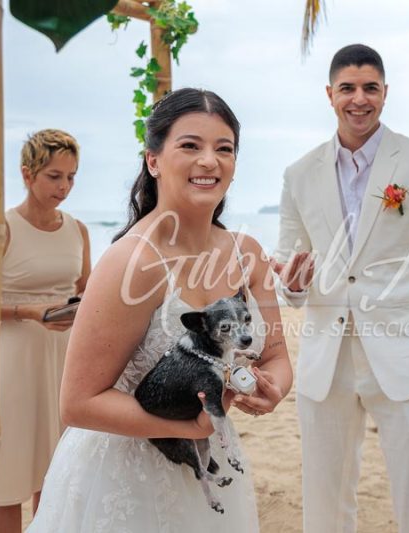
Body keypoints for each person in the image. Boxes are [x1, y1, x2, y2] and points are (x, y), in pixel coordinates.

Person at [27, 88, 292, 532]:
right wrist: (192, 429)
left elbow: (278, 356)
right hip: (126, 478)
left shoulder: (248, 255)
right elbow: (77, 403)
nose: (209, 161)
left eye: (223, 149)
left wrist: (274, 389)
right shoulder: (133, 262)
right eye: (190, 146)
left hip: (214, 472)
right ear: (153, 161)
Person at [273, 44, 409, 533]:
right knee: (323, 500)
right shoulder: (299, 174)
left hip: (406, 360)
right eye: (347, 88)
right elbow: (289, 274)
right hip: (326, 362)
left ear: (385, 93)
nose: (358, 99)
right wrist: (295, 287)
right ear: (329, 94)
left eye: (370, 88)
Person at [0, 128, 91, 533]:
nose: (65, 187)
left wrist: (76, 310)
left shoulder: (79, 230)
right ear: (27, 174)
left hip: (65, 356)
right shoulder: (1, 228)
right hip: (11, 358)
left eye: (71, 177)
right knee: (11, 470)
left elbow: (85, 291)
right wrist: (28, 311)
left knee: (56, 468)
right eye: (55, 176)